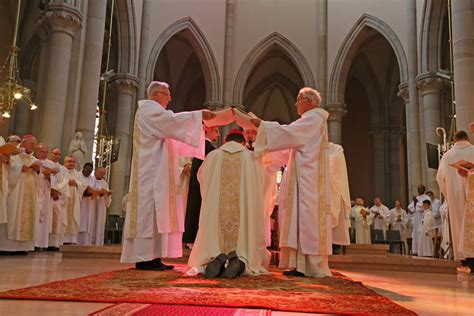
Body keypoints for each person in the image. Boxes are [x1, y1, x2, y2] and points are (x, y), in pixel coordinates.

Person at [120, 81, 216, 271]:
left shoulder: (157, 116)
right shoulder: (148, 110)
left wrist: (199, 129)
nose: (170, 98)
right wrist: (198, 116)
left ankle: (153, 257)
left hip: (158, 174)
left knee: (156, 216)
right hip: (149, 174)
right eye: (167, 94)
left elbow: (176, 139)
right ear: (156, 94)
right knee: (148, 216)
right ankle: (144, 258)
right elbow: (171, 122)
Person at [252, 87, 332, 278]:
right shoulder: (310, 119)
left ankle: (310, 266)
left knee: (307, 219)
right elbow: (290, 142)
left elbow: (290, 133)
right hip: (303, 177)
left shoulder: (314, 118)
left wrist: (262, 125)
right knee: (299, 219)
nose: (296, 103)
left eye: (298, 99)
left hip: (309, 181)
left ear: (309, 101)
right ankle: (301, 265)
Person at [187, 130, 271, 278]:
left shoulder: (213, 156)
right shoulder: (251, 157)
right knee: (245, 248)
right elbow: (265, 182)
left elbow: (201, 178)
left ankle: (214, 259)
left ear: (225, 141)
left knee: (212, 239)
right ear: (243, 142)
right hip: (244, 216)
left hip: (216, 213)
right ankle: (240, 261)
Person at [436, 130, 474, 263]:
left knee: (459, 224)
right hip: (472, 195)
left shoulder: (446, 156)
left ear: (454, 140)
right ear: (468, 138)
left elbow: (440, 179)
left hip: (455, 199)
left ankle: (464, 259)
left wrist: (449, 196)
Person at [3, 135, 42, 253]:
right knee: (14, 215)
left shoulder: (32, 159)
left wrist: (37, 170)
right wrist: (20, 168)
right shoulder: (15, 156)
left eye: (35, 144)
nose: (33, 146)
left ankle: (24, 247)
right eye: (31, 144)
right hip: (16, 192)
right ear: (23, 143)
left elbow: (38, 175)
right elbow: (8, 171)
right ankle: (7, 247)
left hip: (30, 192)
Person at [182, 125, 219, 247]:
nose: (218, 135)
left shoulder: (201, 146)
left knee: (194, 210)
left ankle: (192, 240)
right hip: (203, 186)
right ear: (207, 130)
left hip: (196, 185)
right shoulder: (208, 148)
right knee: (199, 212)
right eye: (216, 131)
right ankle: (196, 241)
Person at [328, 142, 351, 247]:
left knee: (337, 211)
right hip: (320, 186)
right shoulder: (314, 146)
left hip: (335, 185)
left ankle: (335, 244)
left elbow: (336, 166)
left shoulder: (337, 149)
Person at [34, 143, 56, 250]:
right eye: (42, 151)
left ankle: (41, 244)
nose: (44, 154)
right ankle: (32, 243)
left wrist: (49, 177)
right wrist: (41, 173)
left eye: (46, 152)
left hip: (46, 193)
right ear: (37, 151)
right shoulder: (33, 160)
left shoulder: (50, 164)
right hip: (34, 192)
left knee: (44, 217)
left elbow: (56, 180)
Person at [48, 148, 69, 250]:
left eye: (58, 154)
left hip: (58, 197)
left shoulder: (63, 169)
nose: (56, 156)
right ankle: (45, 242)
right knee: (47, 219)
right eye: (55, 153)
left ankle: (54, 244)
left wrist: (56, 190)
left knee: (57, 220)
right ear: (51, 154)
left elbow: (65, 182)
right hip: (47, 196)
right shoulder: (47, 165)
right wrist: (51, 190)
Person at [63, 156, 86, 244]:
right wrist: (67, 183)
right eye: (69, 161)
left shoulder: (77, 174)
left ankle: (71, 240)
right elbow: (57, 183)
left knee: (73, 217)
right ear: (65, 162)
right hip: (65, 198)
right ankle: (62, 240)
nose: (71, 163)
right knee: (64, 216)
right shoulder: (61, 171)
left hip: (74, 199)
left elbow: (83, 186)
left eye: (73, 162)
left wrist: (76, 183)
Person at [407, 184, 430, 255]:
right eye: (418, 189)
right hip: (416, 219)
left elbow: (427, 207)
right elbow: (410, 208)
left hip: (423, 218)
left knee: (422, 233)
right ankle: (416, 250)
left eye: (421, 188)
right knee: (416, 234)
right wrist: (414, 203)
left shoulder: (427, 197)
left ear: (424, 189)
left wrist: (417, 203)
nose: (419, 190)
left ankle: (423, 250)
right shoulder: (416, 198)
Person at [77, 163, 96, 245]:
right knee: (79, 220)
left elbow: (94, 189)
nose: (88, 172)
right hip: (80, 202)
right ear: (83, 168)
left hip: (89, 203)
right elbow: (77, 188)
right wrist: (84, 192)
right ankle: (76, 241)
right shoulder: (77, 175)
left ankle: (85, 242)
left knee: (87, 221)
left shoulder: (92, 179)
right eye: (87, 169)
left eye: (90, 171)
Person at [92, 167, 111, 245]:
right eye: (100, 172)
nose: (102, 174)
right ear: (96, 172)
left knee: (99, 222)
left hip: (101, 205)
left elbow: (107, 193)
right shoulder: (91, 180)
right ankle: (90, 240)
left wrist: (108, 194)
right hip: (92, 204)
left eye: (103, 173)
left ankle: (98, 242)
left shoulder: (104, 183)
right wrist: (99, 192)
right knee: (91, 221)